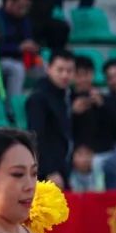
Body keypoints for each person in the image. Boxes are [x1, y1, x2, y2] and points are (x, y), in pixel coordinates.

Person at [25, 49, 74, 188]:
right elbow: (36, 137)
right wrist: (49, 171)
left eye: (69, 71)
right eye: (60, 70)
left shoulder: (66, 96)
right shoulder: (38, 98)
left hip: (63, 167)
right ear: (49, 69)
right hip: (48, 174)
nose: (65, 75)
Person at [0, 0, 40, 98]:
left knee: (48, 69)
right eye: (20, 7)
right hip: (0, 60)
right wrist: (18, 48)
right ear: (10, 1)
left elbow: (29, 39)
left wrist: (33, 47)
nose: (24, 11)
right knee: (17, 69)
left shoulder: (24, 19)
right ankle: (14, 104)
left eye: (26, 7)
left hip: (22, 59)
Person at [70, 55, 113, 155]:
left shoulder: (104, 98)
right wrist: (72, 112)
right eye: (78, 75)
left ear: (93, 74)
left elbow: (115, 128)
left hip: (102, 153)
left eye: (86, 74)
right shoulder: (66, 99)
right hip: (76, 154)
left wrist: (102, 106)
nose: (83, 79)